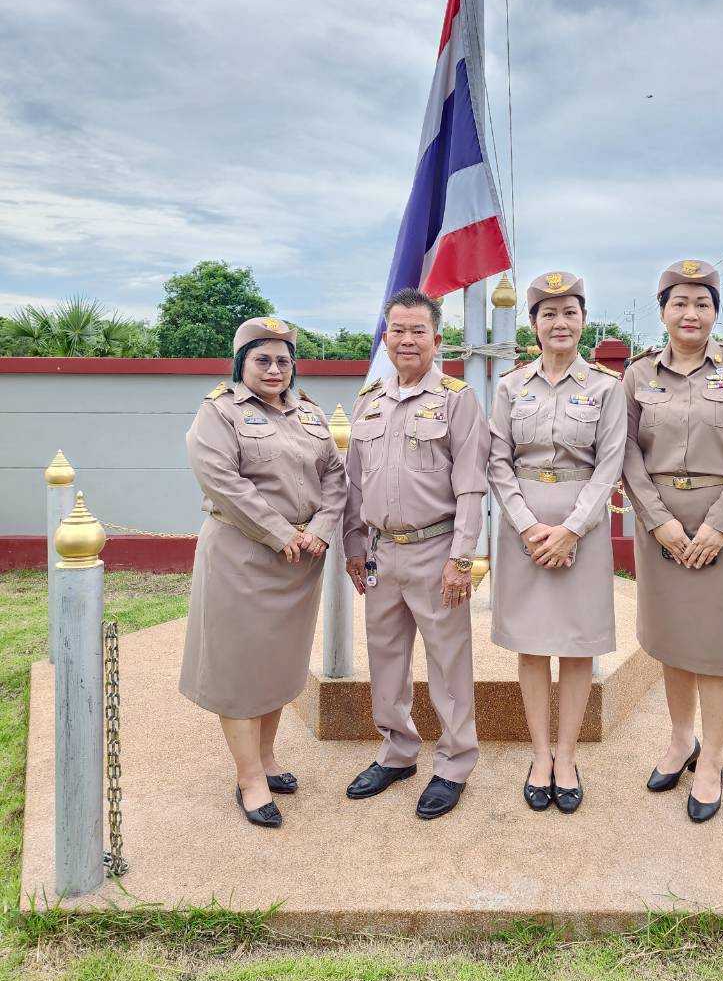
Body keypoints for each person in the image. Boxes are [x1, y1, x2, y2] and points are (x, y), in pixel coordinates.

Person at [621, 260, 723, 823]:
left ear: (715, 312)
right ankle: (680, 739)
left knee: (717, 646)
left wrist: (719, 525)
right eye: (680, 303)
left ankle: (711, 760)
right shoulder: (638, 375)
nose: (691, 313)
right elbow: (625, 450)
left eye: (702, 303)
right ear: (663, 311)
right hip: (661, 524)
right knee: (673, 639)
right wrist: (658, 520)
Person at [180, 316, 347, 829]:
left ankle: (268, 759)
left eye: (283, 361)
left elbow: (335, 476)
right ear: (241, 363)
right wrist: (281, 532)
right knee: (241, 669)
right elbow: (222, 481)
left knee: (278, 665)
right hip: (243, 556)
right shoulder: (220, 412)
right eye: (263, 360)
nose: (275, 369)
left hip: (300, 561)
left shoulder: (309, 412)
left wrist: (320, 529)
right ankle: (249, 778)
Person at [342, 287, 491, 821]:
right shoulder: (369, 401)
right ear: (386, 338)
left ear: (437, 338)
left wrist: (461, 557)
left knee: (448, 661)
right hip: (382, 553)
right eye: (398, 330)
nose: (407, 340)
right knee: (385, 657)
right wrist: (354, 545)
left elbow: (471, 485)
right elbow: (354, 485)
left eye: (417, 331)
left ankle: (454, 763)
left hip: (436, 550)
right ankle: (398, 751)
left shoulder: (457, 399)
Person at [488, 271, 627, 813]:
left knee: (576, 645)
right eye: (549, 314)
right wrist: (528, 527)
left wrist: (570, 530)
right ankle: (540, 753)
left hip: (581, 529)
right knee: (531, 644)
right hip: (523, 526)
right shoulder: (510, 387)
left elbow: (610, 465)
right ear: (534, 323)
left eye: (570, 312)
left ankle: (566, 755)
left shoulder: (606, 388)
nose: (560, 323)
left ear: (584, 320)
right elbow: (498, 462)